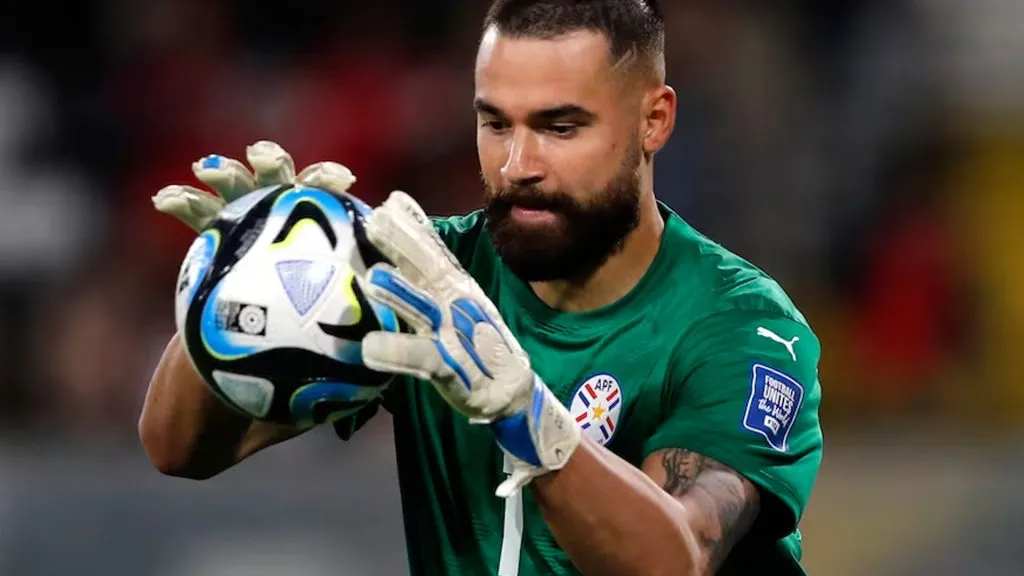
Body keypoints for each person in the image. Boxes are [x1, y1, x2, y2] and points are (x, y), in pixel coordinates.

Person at [139, 1, 823, 574]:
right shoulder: (422, 273)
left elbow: (676, 559)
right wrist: (230, 289)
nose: (519, 163)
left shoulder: (743, 330)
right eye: (496, 123)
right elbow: (178, 450)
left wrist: (529, 416)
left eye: (560, 127)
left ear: (654, 120)